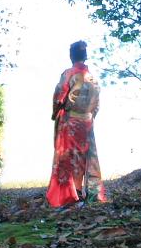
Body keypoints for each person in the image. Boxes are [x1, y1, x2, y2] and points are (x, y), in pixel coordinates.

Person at [45, 40, 107, 208]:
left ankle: (72, 195)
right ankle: (93, 195)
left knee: (69, 158)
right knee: (90, 158)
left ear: (72, 56)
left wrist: (55, 113)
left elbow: (59, 97)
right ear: (85, 56)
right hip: (88, 122)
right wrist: (89, 116)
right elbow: (97, 105)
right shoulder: (92, 78)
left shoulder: (69, 74)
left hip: (71, 121)